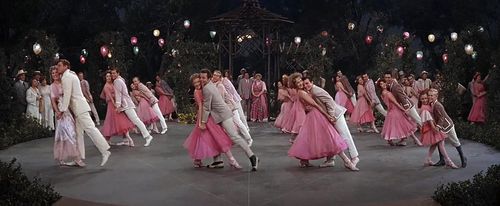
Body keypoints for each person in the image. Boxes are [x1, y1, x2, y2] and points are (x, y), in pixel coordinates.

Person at [287, 75, 359, 171]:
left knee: (322, 138)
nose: (301, 84)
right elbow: (315, 105)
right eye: (298, 82)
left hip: (320, 115)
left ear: (312, 82)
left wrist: (330, 115)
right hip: (317, 116)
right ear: (294, 84)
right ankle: (346, 161)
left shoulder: (310, 90)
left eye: (302, 81)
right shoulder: (302, 92)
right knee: (330, 138)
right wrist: (328, 115)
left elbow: (327, 100)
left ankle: (306, 160)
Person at [199, 69, 259, 171]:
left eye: (203, 77)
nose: (201, 79)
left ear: (209, 78)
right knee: (218, 137)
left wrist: (203, 122)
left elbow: (206, 107)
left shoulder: (207, 88)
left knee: (235, 136)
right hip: (220, 115)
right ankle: (218, 160)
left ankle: (252, 156)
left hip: (223, 115)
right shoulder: (210, 86)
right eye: (200, 77)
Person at [56, 59, 110, 166]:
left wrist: (62, 110)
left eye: (59, 65)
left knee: (90, 129)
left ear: (66, 66)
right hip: (78, 108)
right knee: (78, 134)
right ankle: (78, 158)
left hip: (79, 108)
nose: (57, 67)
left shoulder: (67, 77)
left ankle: (105, 151)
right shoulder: (70, 75)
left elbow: (67, 95)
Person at [183, 73, 241, 169]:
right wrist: (202, 122)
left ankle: (221, 160)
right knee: (208, 138)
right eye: (195, 83)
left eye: (198, 81)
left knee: (214, 138)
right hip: (205, 118)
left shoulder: (206, 88)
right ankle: (229, 160)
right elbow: (201, 107)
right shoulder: (197, 92)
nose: (197, 84)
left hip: (211, 116)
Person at [50, 67, 85, 167]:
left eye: (56, 72)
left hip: (69, 110)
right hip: (62, 112)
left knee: (66, 134)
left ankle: (65, 158)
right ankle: (76, 158)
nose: (55, 74)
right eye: (53, 73)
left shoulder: (65, 82)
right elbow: (53, 101)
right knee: (69, 133)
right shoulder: (52, 86)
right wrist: (57, 112)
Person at [111, 68, 154, 147]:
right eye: (112, 73)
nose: (113, 75)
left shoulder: (117, 81)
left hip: (126, 105)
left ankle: (148, 136)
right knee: (126, 122)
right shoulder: (121, 79)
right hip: (126, 104)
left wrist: (118, 105)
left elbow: (118, 94)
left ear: (118, 73)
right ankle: (126, 139)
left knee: (136, 120)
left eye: (114, 73)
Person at [418, 91, 458, 168]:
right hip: (431, 128)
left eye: (426, 98)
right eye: (422, 99)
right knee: (441, 144)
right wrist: (435, 129)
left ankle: (428, 159)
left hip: (432, 127)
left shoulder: (427, 106)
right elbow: (429, 121)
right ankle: (448, 161)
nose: (425, 100)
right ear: (419, 99)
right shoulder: (425, 108)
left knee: (435, 144)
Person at [428, 88, 467, 168]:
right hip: (442, 127)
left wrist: (438, 127)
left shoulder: (438, 105)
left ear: (436, 96)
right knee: (439, 142)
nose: (430, 97)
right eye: (429, 95)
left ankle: (463, 158)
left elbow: (442, 117)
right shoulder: (432, 104)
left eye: (432, 95)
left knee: (455, 142)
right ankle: (442, 160)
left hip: (447, 126)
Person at [213, 70, 253, 146]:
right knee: (227, 125)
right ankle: (230, 140)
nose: (214, 77)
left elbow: (222, 98)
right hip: (227, 107)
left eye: (216, 75)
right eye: (213, 75)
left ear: (219, 77)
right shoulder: (217, 84)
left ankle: (249, 139)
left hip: (231, 106)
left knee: (238, 121)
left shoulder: (222, 84)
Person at [378, 79, 421, 146]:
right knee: (405, 126)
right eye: (381, 84)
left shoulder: (382, 94)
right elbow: (396, 103)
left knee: (391, 127)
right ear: (379, 86)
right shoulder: (388, 93)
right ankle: (415, 140)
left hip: (390, 111)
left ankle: (392, 141)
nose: (384, 84)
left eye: (384, 83)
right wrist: (404, 109)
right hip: (396, 111)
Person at [99, 72, 136, 146]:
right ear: (105, 78)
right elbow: (109, 97)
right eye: (107, 76)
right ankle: (127, 140)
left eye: (110, 76)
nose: (109, 77)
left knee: (119, 122)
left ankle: (125, 139)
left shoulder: (113, 83)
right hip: (112, 105)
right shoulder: (106, 86)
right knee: (114, 121)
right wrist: (115, 105)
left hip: (116, 104)